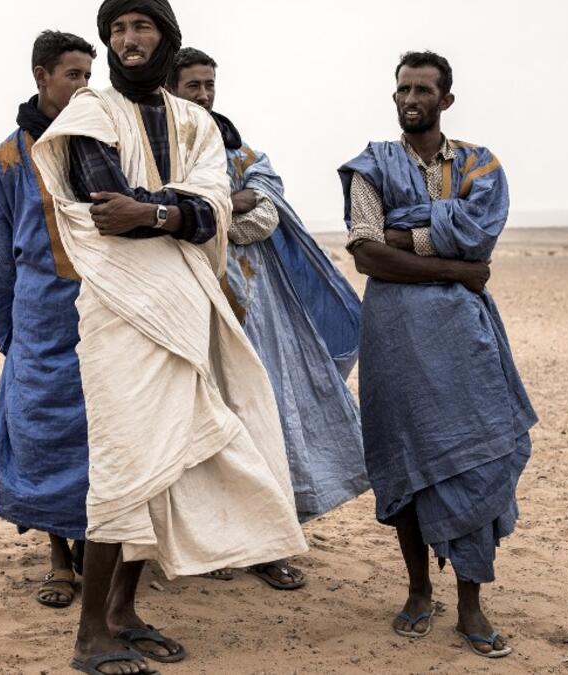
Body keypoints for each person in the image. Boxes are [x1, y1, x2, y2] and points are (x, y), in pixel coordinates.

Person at [30, 1, 307, 672]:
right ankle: (90, 632)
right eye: (118, 29)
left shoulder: (196, 122)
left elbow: (211, 209)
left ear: (164, 36)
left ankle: (123, 610)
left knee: (167, 464)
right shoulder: (89, 114)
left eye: (141, 26)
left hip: (185, 301)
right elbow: (105, 209)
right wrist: (178, 211)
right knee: (124, 465)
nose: (129, 40)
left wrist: (158, 208)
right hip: (121, 307)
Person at [338, 51, 537, 658]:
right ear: (393, 96)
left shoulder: (482, 164)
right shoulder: (370, 166)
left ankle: (472, 607)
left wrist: (407, 232)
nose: (411, 97)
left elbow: (483, 231)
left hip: (464, 342)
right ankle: (419, 591)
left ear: (445, 99)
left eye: (424, 88)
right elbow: (368, 254)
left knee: (477, 459)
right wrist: (457, 266)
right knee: (404, 463)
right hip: (395, 338)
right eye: (403, 88)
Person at [168, 47, 369, 591]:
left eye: (210, 84)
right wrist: (207, 208)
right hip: (191, 310)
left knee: (267, 421)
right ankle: (216, 543)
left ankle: (270, 547)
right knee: (205, 426)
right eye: (193, 86)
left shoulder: (244, 151)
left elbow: (264, 210)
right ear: (171, 89)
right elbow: (164, 211)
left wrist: (198, 211)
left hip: (259, 314)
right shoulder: (159, 153)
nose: (205, 95)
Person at [0, 29, 97, 611]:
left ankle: (90, 545)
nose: (82, 85)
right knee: (41, 434)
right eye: (72, 74)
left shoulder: (101, 140)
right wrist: (7, 330)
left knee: (96, 432)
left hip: (102, 310)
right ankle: (58, 556)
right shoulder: (7, 158)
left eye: (88, 74)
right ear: (41, 76)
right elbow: (3, 246)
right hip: (38, 316)